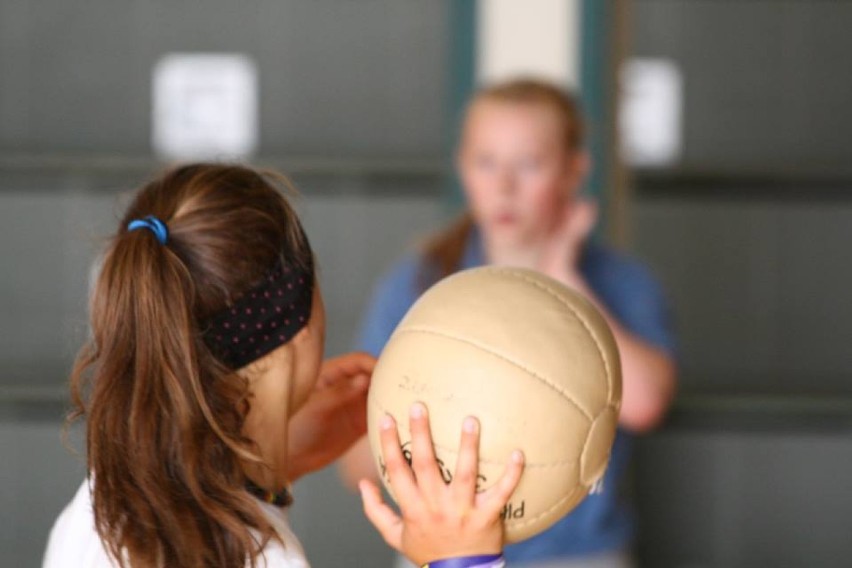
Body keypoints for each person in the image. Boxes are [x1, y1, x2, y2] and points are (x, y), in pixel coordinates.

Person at [42, 164, 524, 568]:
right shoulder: (263, 557)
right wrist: (462, 561)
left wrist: (274, 463)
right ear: (302, 318)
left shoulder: (97, 504)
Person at [339, 79, 678, 568]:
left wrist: (563, 274)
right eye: (486, 162)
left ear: (573, 171)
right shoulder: (417, 284)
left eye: (529, 165)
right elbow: (357, 464)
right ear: (463, 168)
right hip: (442, 553)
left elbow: (645, 404)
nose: (504, 186)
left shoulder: (621, 282)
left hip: (577, 555)